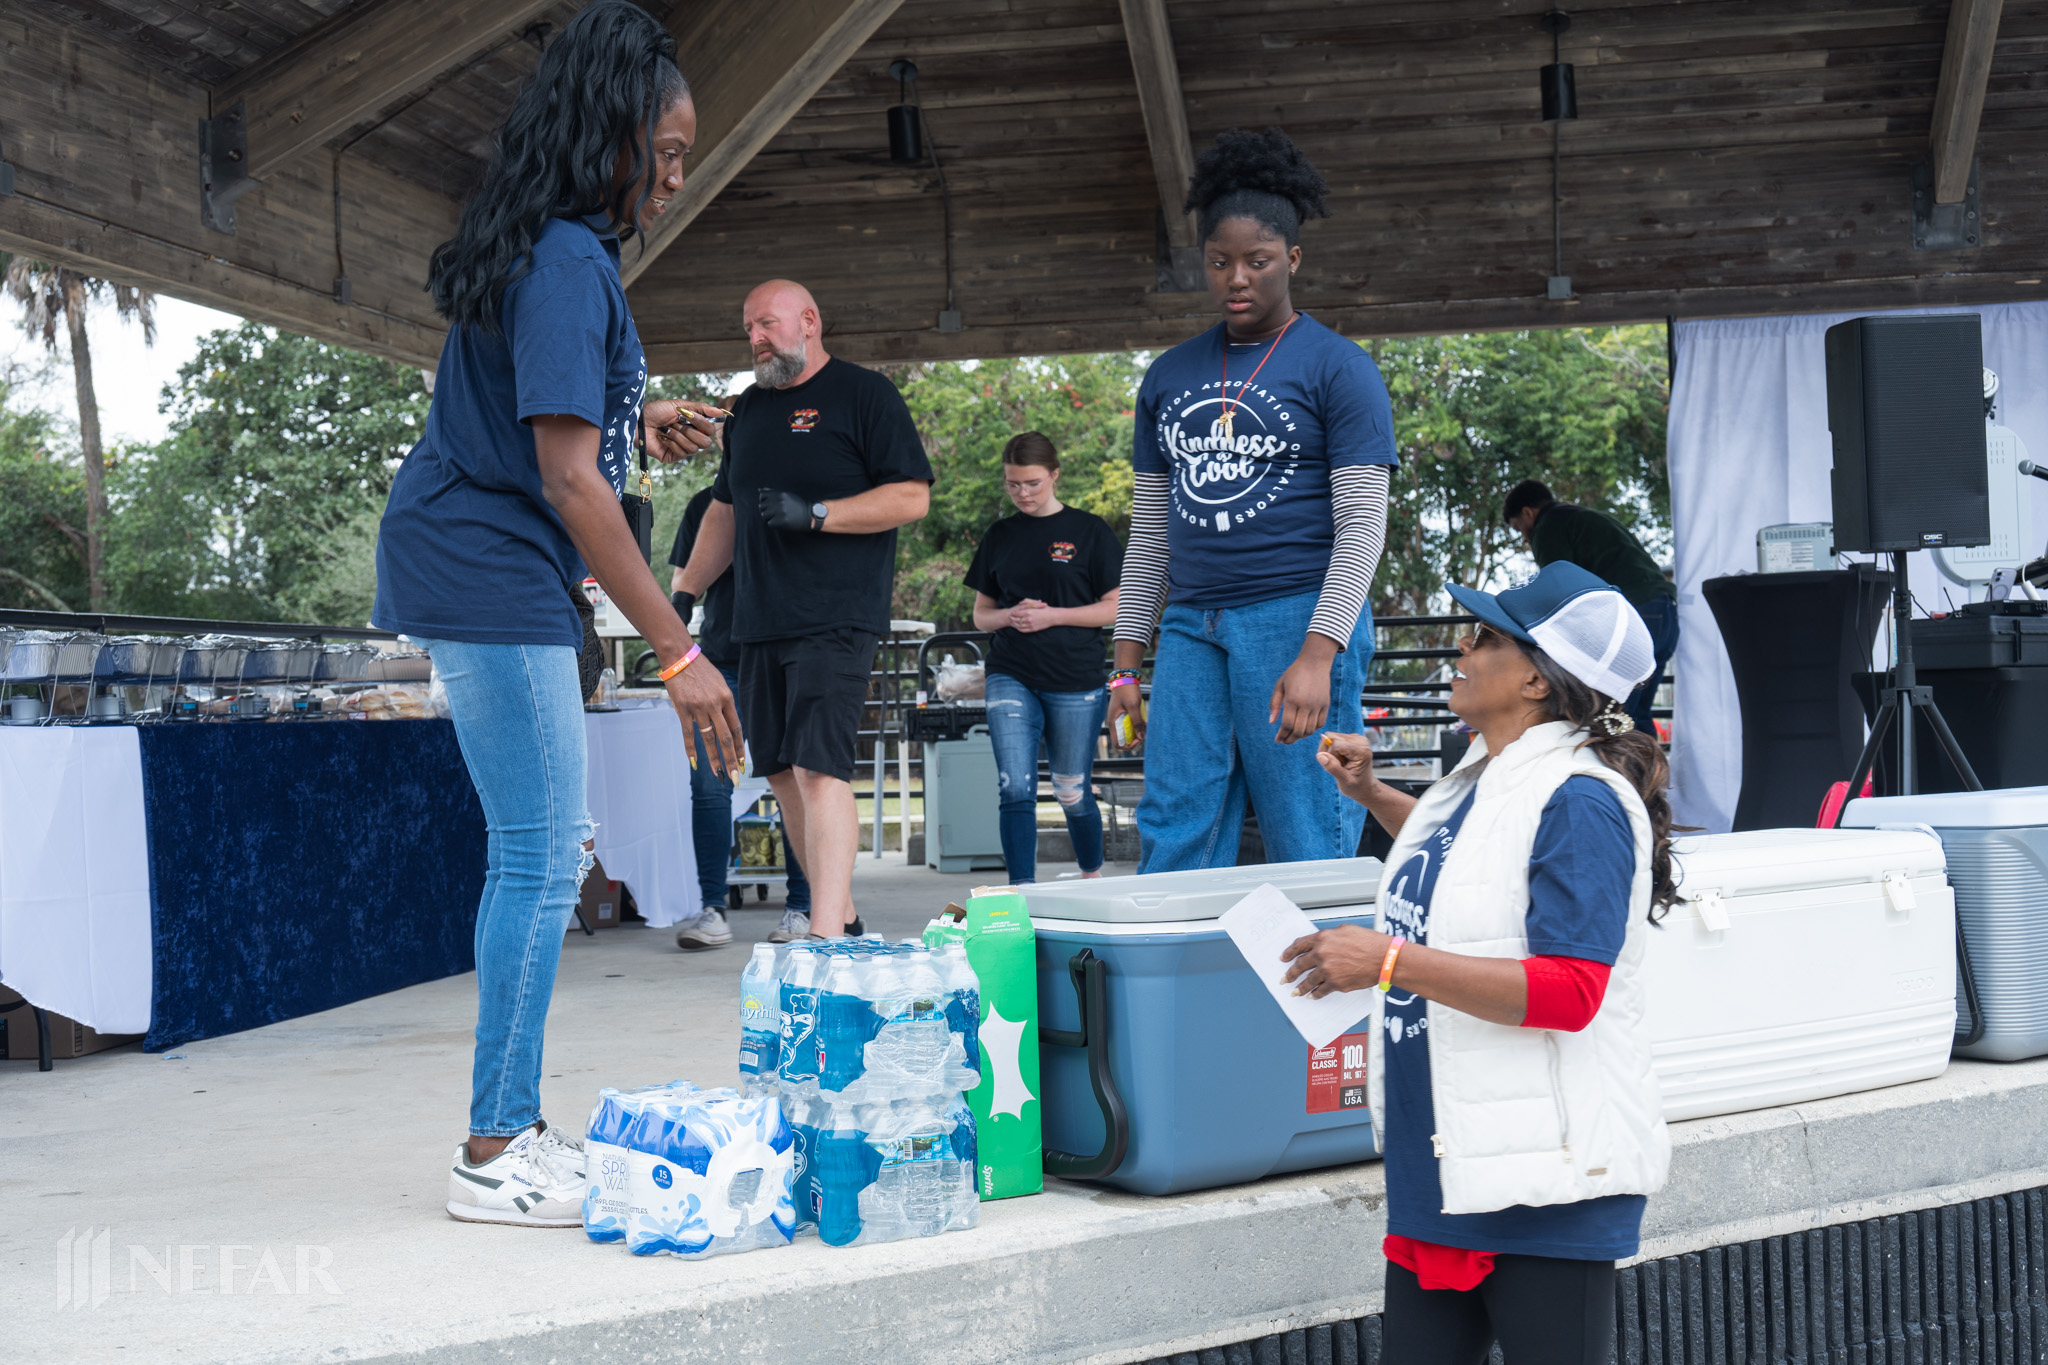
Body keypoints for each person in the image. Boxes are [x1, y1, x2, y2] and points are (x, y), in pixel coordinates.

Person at [373, 3, 741, 1227]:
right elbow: (569, 481)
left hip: (481, 553)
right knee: (539, 856)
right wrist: (679, 651)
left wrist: (640, 414)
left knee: (539, 851)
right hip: (485, 562)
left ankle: (512, 1127)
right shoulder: (570, 259)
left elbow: (550, 417)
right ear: (607, 135)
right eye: (668, 154)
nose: (676, 178)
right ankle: (495, 1148)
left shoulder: (547, 239)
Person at [1281, 561, 1674, 1365]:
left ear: (1536, 680)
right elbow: (1476, 860)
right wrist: (1373, 794)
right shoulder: (1480, 780)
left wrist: (1389, 960)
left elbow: (1571, 992)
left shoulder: (1581, 799)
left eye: (1486, 637)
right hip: (1446, 1162)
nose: (1462, 648)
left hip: (1542, 1181)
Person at [1107, 126, 1396, 871]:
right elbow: (1151, 534)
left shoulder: (1338, 367)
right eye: (1219, 262)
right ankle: (1175, 952)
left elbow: (1362, 524)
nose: (1237, 278)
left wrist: (1318, 655)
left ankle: (1330, 951)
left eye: (1257, 261)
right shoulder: (1169, 375)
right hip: (1192, 627)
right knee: (1175, 822)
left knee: (1308, 823)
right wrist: (1127, 665)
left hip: (1294, 616)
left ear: (1292, 259)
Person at [674, 279, 932, 942]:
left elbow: (911, 497)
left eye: (767, 323)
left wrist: (818, 514)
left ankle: (822, 937)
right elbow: (725, 512)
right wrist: (684, 594)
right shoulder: (750, 412)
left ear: (810, 321)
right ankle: (841, 916)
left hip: (835, 615)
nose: (756, 338)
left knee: (820, 769)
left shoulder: (865, 395)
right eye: (748, 329)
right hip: (758, 620)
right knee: (784, 774)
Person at [965, 432, 1122, 883]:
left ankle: (1091, 875)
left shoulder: (1090, 531)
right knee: (1015, 785)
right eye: (1013, 484)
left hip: (1076, 678)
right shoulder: (1000, 535)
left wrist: (1053, 616)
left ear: (1055, 475)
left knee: (1071, 791)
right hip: (1010, 672)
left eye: (1032, 483)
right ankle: (1022, 893)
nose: (1023, 494)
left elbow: (1117, 607)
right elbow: (981, 616)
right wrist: (1011, 616)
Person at [666, 485, 811, 948]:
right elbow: (682, 583)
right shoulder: (704, 505)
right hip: (722, 662)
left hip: (788, 658)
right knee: (709, 786)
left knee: (797, 784)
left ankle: (803, 909)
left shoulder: (795, 493)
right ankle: (712, 910)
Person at [1503, 479, 1677, 736]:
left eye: (1520, 528)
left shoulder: (1548, 526)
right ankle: (1650, 764)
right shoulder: (1583, 517)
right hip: (1665, 614)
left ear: (1528, 512)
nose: (1526, 538)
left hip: (1636, 615)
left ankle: (1609, 764)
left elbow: (1555, 589)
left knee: (1609, 717)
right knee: (1634, 717)